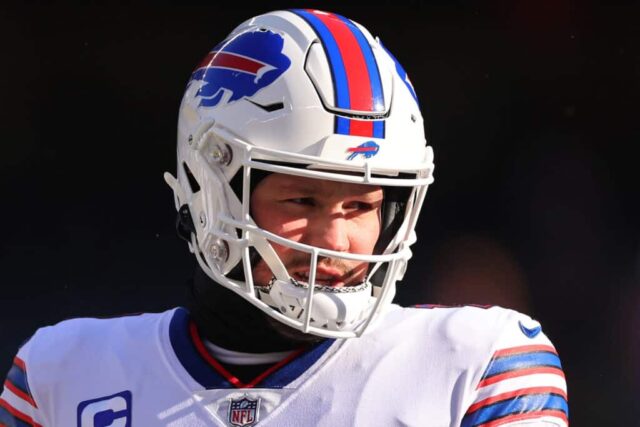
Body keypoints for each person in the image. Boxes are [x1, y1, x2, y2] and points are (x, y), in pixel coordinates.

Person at [0, 9, 568, 427]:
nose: (338, 239)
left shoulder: (476, 366)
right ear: (210, 191)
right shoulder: (61, 377)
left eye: (362, 206)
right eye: (302, 201)